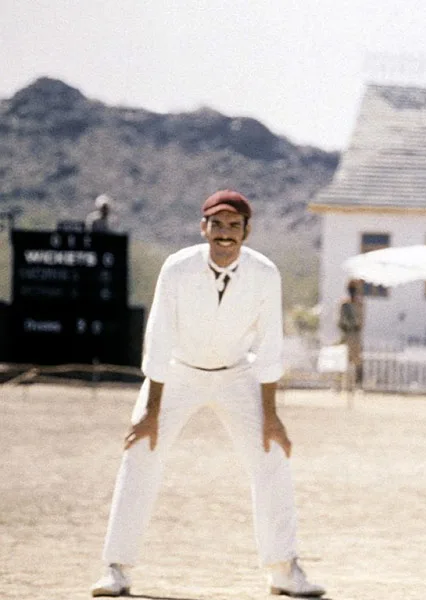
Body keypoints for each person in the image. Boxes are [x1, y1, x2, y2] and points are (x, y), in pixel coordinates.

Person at [90, 190, 325, 598]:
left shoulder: (265, 273)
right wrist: (150, 412)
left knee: (271, 455)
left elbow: (269, 347)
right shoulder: (177, 268)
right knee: (140, 451)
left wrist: (271, 416)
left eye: (234, 226)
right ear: (203, 228)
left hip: (236, 374)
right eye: (217, 225)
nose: (225, 234)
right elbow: (159, 337)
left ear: (247, 231)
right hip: (178, 372)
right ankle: (117, 569)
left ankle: (284, 570)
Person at [337, 280, 364, 391]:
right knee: (342, 360)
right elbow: (340, 321)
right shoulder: (344, 304)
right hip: (346, 335)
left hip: (355, 336)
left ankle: (358, 385)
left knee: (357, 361)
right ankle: (339, 385)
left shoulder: (359, 304)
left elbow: (360, 322)